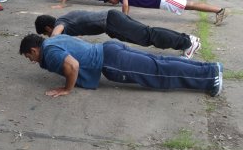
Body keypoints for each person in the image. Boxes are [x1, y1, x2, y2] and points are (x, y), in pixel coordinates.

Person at [19, 34, 223, 98]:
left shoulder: (50, 52)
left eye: (29, 56)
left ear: (34, 50)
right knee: (159, 62)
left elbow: (72, 65)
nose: (30, 60)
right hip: (109, 49)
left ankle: (209, 77)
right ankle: (210, 69)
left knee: (159, 72)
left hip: (111, 61)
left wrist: (66, 89)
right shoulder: (53, 40)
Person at [34, 10, 201, 59]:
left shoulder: (59, 24)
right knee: (147, 34)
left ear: (48, 27)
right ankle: (186, 39)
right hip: (112, 22)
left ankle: (187, 42)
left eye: (46, 33)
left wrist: (46, 47)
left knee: (147, 36)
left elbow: (56, 35)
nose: (48, 35)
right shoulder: (65, 18)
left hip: (112, 21)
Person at [103, 0, 228, 25]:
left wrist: (124, 20)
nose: (111, 3)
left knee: (191, 5)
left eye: (110, 1)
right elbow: (126, 6)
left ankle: (219, 10)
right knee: (190, 5)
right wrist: (126, 17)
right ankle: (219, 10)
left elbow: (125, 6)